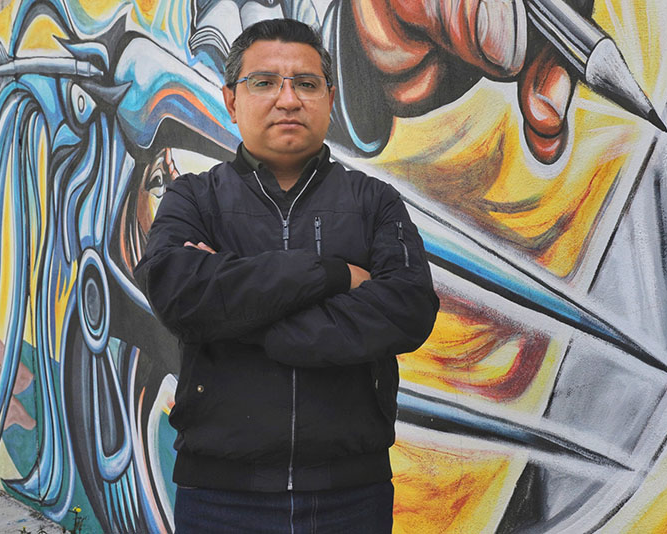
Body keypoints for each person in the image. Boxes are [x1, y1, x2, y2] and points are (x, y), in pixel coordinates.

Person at [133, 18, 440, 533]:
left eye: (306, 83)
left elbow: (407, 310)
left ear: (330, 99)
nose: (288, 99)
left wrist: (244, 320)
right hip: (219, 498)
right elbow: (176, 292)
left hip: (351, 496)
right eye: (264, 82)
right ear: (232, 100)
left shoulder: (373, 203)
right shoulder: (194, 198)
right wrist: (333, 274)